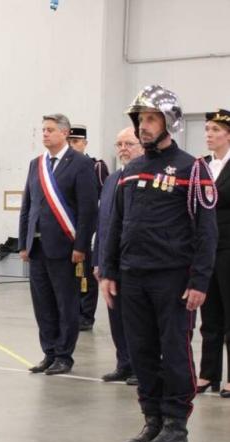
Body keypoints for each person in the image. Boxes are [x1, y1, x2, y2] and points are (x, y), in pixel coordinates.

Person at [102, 85, 218, 442]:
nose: (144, 127)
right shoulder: (130, 171)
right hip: (132, 277)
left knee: (175, 351)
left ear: (169, 122)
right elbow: (115, 225)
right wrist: (108, 271)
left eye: (152, 119)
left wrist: (200, 280)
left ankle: (175, 426)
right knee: (142, 352)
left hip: (173, 280)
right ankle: (152, 420)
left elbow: (206, 231)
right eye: (141, 120)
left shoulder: (191, 168)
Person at [18, 113, 98, 376]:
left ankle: (64, 355)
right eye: (43, 129)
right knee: (43, 304)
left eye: (50, 129)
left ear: (65, 133)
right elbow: (28, 207)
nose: (45, 134)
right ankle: (49, 352)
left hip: (66, 247)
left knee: (66, 303)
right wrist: (23, 243)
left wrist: (81, 246)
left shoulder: (81, 164)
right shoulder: (36, 164)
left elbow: (87, 210)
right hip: (38, 247)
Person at [92, 127, 143, 384]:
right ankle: (124, 363)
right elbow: (104, 224)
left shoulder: (146, 177)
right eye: (119, 144)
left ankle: (139, 366)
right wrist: (98, 260)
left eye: (129, 144)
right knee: (115, 314)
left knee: (137, 318)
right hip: (110, 261)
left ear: (142, 146)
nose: (123, 148)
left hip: (135, 261)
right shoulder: (112, 179)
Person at [196, 108, 230, 398]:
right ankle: (208, 374)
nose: (209, 135)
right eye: (207, 129)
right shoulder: (201, 165)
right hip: (206, 250)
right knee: (210, 316)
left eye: (216, 130)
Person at [68, 124, 109, 331]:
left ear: (85, 143)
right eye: (69, 142)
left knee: (85, 276)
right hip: (68, 229)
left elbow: (104, 199)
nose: (72, 146)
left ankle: (86, 315)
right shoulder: (62, 167)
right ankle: (71, 313)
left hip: (89, 229)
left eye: (76, 142)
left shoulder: (96, 166)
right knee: (69, 277)